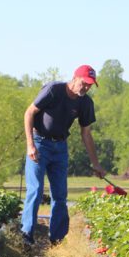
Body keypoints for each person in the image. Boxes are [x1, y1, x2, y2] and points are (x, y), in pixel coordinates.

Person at [20, 64, 106, 245]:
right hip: (40, 143)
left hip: (60, 148)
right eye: (84, 83)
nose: (86, 87)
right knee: (35, 190)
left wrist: (96, 164)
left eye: (90, 85)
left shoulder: (85, 103)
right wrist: (30, 145)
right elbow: (29, 113)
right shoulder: (53, 90)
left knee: (60, 194)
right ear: (75, 78)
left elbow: (86, 134)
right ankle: (27, 235)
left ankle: (57, 239)